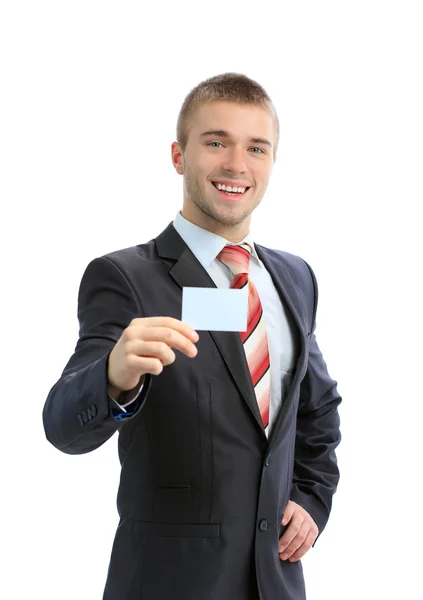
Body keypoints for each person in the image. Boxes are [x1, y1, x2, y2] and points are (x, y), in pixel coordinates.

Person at [43, 72, 342, 600]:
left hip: (276, 582)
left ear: (272, 163)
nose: (236, 164)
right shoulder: (125, 277)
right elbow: (63, 426)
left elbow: (316, 410)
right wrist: (112, 377)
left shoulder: (296, 278)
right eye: (216, 142)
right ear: (179, 156)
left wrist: (313, 497)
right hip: (169, 582)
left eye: (256, 148)